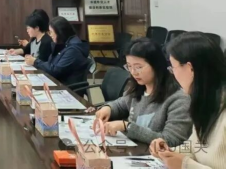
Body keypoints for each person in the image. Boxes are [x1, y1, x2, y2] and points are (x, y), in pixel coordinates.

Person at [95, 38, 192, 147]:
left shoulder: (178, 99)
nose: (133, 72)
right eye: (129, 66)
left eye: (138, 67)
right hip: (134, 149)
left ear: (156, 65)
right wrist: (108, 108)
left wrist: (127, 126)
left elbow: (172, 140)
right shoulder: (138, 88)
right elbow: (121, 104)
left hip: (155, 155)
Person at [150, 33, 226, 169]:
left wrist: (185, 164)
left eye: (173, 68)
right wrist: (168, 152)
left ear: (190, 68)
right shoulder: (205, 102)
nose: (173, 74)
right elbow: (195, 147)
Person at [35, 16, 90, 86]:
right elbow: (51, 63)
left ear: (60, 32)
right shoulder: (63, 44)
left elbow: (55, 71)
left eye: (51, 32)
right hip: (58, 82)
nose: (50, 35)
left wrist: (36, 62)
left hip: (67, 88)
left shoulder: (73, 50)